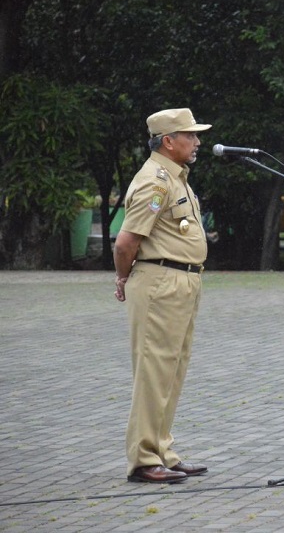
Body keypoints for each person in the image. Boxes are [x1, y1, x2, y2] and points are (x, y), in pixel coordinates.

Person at [114, 108, 211, 483]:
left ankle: (162, 451)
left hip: (182, 282)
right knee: (153, 373)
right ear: (169, 141)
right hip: (160, 283)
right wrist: (123, 278)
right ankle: (143, 460)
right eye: (190, 135)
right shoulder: (155, 181)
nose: (197, 141)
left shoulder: (176, 177)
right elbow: (126, 242)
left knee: (172, 371)